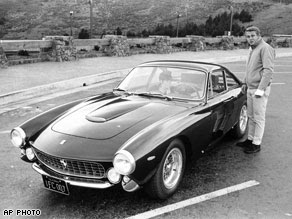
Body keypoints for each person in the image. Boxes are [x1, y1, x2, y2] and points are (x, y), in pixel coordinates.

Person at [237, 26, 276, 154]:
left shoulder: (265, 48)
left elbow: (268, 70)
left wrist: (261, 89)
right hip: (250, 87)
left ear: (259, 35)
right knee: (251, 116)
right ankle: (250, 139)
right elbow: (249, 68)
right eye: (248, 36)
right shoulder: (252, 49)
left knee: (259, 117)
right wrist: (244, 82)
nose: (250, 39)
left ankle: (256, 143)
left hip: (259, 89)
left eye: (253, 36)